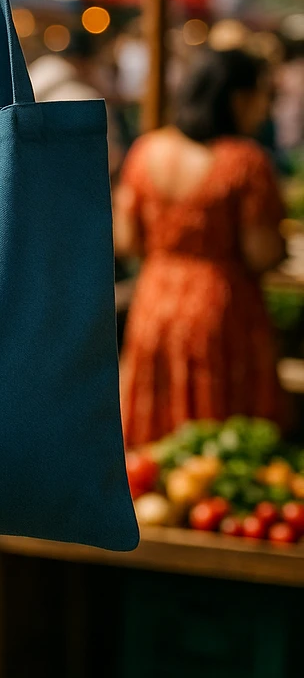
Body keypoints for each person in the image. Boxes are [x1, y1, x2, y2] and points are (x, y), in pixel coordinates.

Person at [116, 47, 289, 447]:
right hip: (220, 307)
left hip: (154, 300)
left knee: (152, 436)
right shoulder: (245, 162)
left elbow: (127, 240)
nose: (265, 108)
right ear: (238, 97)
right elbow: (260, 252)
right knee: (220, 441)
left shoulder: (146, 150)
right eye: (262, 95)